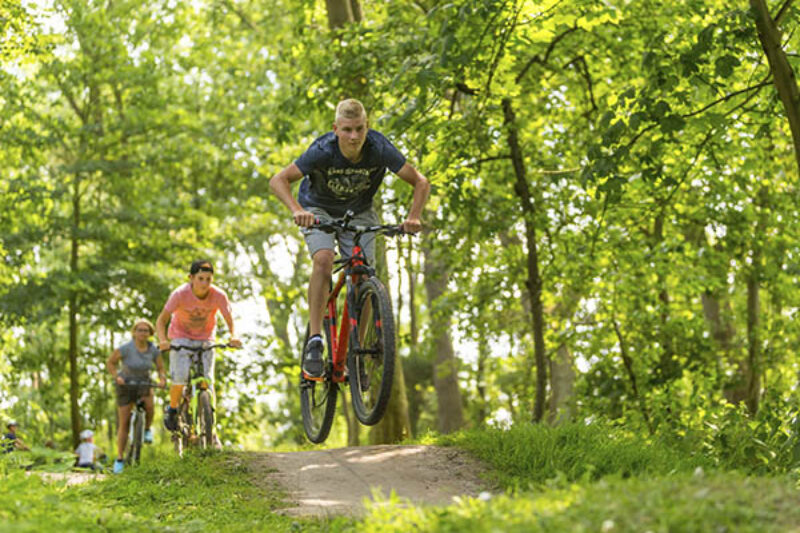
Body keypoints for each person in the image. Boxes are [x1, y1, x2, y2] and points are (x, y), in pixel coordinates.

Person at [269, 98, 430, 378]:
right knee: (324, 259)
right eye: (347, 130)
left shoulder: (379, 148)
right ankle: (316, 341)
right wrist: (297, 211)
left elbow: (421, 181)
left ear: (367, 127)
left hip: (359, 212)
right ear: (336, 129)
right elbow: (278, 180)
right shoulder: (322, 151)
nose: (354, 136)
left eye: (359, 129)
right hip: (317, 209)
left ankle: (358, 348)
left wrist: (413, 217)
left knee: (364, 274)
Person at [156, 259, 242, 432]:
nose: (204, 283)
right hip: (181, 337)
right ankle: (173, 409)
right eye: (200, 278)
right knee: (180, 378)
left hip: (205, 338)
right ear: (191, 278)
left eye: (208, 279)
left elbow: (229, 319)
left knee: (208, 383)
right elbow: (161, 320)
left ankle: (211, 430)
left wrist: (234, 336)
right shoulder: (179, 294)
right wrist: (163, 340)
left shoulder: (218, 295)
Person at [106, 318, 166, 474]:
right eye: (139, 330)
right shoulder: (126, 348)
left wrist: (162, 379)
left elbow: (160, 368)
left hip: (143, 383)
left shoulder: (153, 350)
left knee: (150, 405)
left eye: (145, 330)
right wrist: (116, 377)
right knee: (124, 422)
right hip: (125, 384)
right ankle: (119, 459)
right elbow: (111, 362)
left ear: (150, 333)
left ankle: (146, 429)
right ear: (134, 332)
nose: (142, 333)